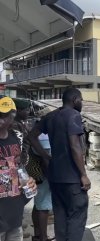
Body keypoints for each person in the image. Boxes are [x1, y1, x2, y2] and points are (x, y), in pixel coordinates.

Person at [28, 87, 90, 241]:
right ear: (75, 99)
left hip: (55, 178)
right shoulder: (74, 115)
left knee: (60, 216)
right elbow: (75, 146)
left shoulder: (50, 116)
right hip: (73, 179)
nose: (81, 103)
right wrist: (83, 175)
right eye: (81, 100)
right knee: (76, 217)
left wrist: (45, 155)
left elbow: (31, 136)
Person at [0, 96, 37, 241]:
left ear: (12, 116)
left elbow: (18, 167)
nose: (1, 120)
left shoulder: (16, 138)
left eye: (4, 115)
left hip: (14, 215)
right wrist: (13, 180)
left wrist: (27, 180)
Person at [26, 108, 55, 241]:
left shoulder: (37, 132)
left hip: (34, 172)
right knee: (43, 206)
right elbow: (45, 160)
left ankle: (38, 234)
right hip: (42, 175)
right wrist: (53, 177)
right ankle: (43, 237)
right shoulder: (44, 136)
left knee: (38, 205)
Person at [11, 98, 31, 167]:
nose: (29, 112)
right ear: (18, 111)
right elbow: (18, 146)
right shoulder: (14, 125)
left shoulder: (20, 123)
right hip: (17, 162)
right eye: (27, 110)